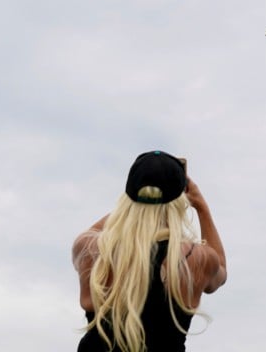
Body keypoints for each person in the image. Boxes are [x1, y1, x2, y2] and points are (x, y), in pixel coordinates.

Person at [72, 150, 227, 352]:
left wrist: (131, 208)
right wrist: (201, 206)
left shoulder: (91, 249)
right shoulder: (194, 258)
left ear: (128, 198)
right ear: (178, 201)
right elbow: (221, 270)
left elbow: (91, 232)